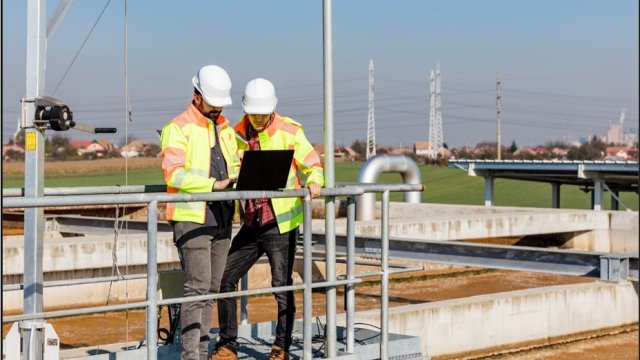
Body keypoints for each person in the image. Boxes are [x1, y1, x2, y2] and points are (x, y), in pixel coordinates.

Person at [211, 78, 323, 360]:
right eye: (254, 114)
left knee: (281, 286)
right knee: (226, 279)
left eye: (263, 114)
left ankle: (281, 348)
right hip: (251, 222)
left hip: (280, 223)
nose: (258, 120)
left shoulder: (290, 130)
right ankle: (227, 345)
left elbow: (312, 163)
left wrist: (315, 181)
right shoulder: (234, 132)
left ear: (272, 109)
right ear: (247, 111)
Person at [160, 64, 240, 360]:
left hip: (222, 217)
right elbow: (174, 175)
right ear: (197, 96)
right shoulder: (177, 127)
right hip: (193, 218)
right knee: (198, 288)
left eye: (221, 104)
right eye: (213, 103)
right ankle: (191, 356)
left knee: (212, 288)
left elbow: (234, 166)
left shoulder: (226, 128)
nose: (218, 109)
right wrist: (212, 185)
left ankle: (203, 352)